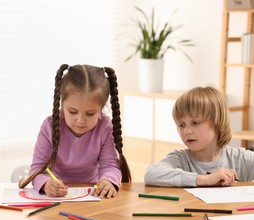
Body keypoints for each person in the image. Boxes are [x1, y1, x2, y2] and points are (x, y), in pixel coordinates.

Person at [24, 64, 131, 198]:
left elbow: (110, 166)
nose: (80, 120)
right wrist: (46, 184)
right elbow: (37, 169)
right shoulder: (49, 127)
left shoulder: (105, 127)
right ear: (62, 104)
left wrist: (107, 181)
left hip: (91, 193)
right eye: (73, 112)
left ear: (101, 109)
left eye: (90, 113)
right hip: (56, 196)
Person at [144, 86, 254, 187]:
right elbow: (151, 174)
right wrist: (205, 179)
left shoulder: (239, 159)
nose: (187, 131)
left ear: (217, 123)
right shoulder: (181, 160)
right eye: (181, 125)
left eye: (195, 123)